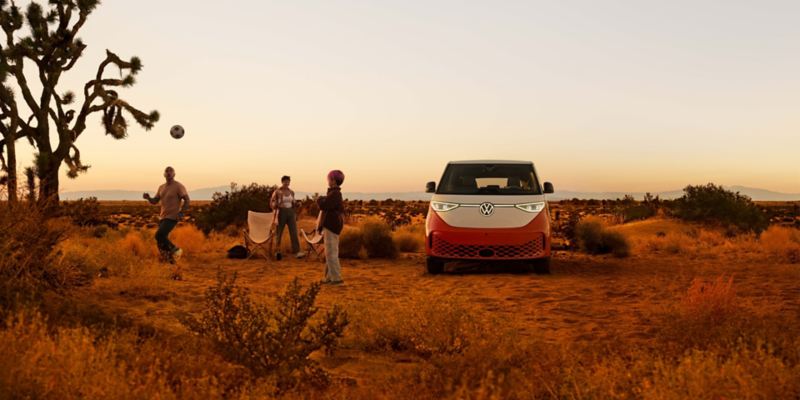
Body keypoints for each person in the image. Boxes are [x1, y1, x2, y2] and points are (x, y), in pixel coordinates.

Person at [143, 166, 190, 263]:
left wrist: (181, 213)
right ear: (164, 174)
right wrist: (148, 198)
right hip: (163, 216)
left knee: (159, 235)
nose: (168, 173)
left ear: (174, 174)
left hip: (173, 216)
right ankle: (168, 260)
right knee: (160, 240)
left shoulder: (178, 186)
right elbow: (155, 201)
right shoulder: (161, 187)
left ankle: (176, 250)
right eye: (167, 171)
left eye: (171, 171)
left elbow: (187, 200)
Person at [317, 170, 345, 285]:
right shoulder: (333, 193)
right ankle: (329, 277)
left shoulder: (335, 194)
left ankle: (337, 278)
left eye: (329, 179)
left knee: (331, 253)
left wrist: (319, 199)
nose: (328, 181)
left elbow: (324, 205)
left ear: (333, 180)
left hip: (331, 226)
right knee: (330, 252)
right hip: (332, 226)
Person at [270, 175, 305, 260]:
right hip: (281, 212)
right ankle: (277, 252)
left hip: (291, 212)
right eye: (285, 181)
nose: (287, 183)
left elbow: (293, 202)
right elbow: (272, 203)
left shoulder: (292, 192)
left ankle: (297, 252)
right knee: (279, 233)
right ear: (282, 182)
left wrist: (297, 204)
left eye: (288, 181)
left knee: (294, 232)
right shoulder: (277, 191)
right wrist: (277, 205)